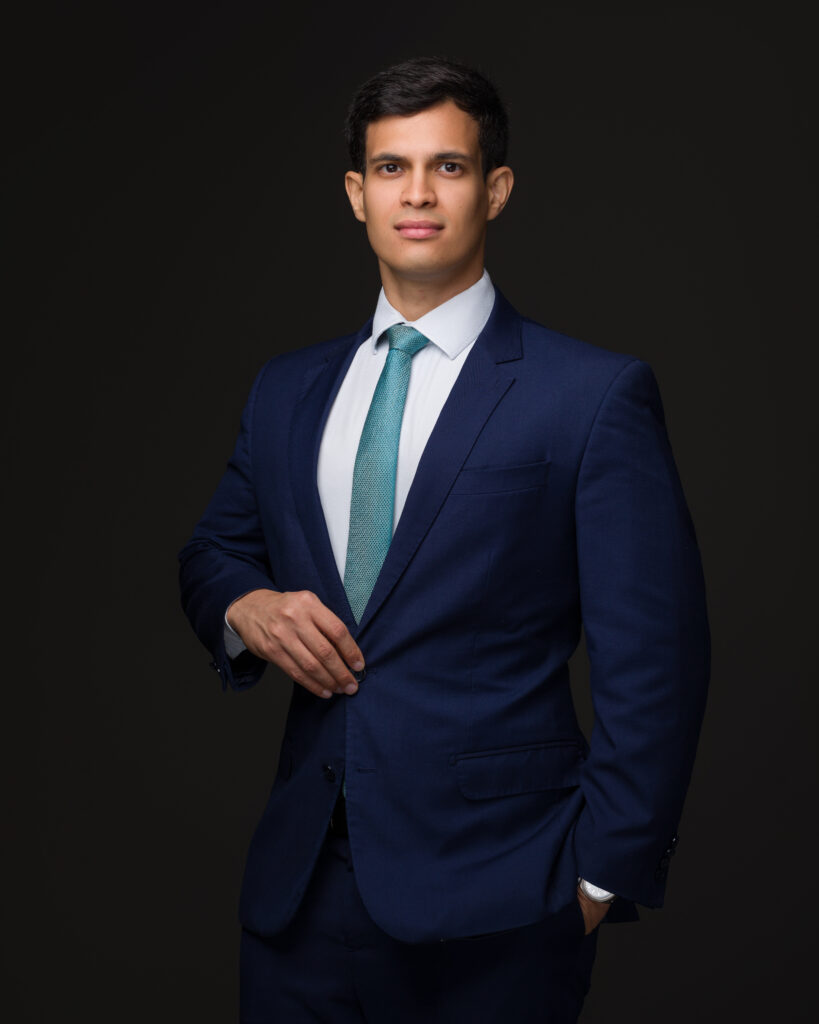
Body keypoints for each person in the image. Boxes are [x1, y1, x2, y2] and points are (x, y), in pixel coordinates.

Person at [179, 56, 710, 1024]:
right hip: (299, 897)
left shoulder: (590, 395)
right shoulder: (287, 390)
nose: (417, 193)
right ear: (357, 194)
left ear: (495, 189)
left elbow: (657, 658)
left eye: (448, 167)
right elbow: (214, 551)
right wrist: (246, 606)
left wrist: (601, 876)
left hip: (501, 896)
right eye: (391, 168)